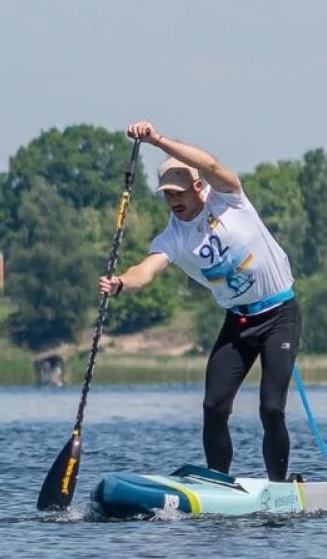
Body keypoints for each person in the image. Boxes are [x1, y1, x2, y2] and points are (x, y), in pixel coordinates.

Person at [99, 122, 298, 481]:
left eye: (179, 193)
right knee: (214, 406)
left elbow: (209, 163)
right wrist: (120, 284)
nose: (174, 201)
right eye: (167, 195)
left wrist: (156, 140)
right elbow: (145, 270)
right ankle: (217, 483)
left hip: (279, 315)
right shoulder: (173, 237)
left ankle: (279, 487)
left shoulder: (229, 198)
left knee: (271, 408)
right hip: (238, 322)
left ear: (197, 187)